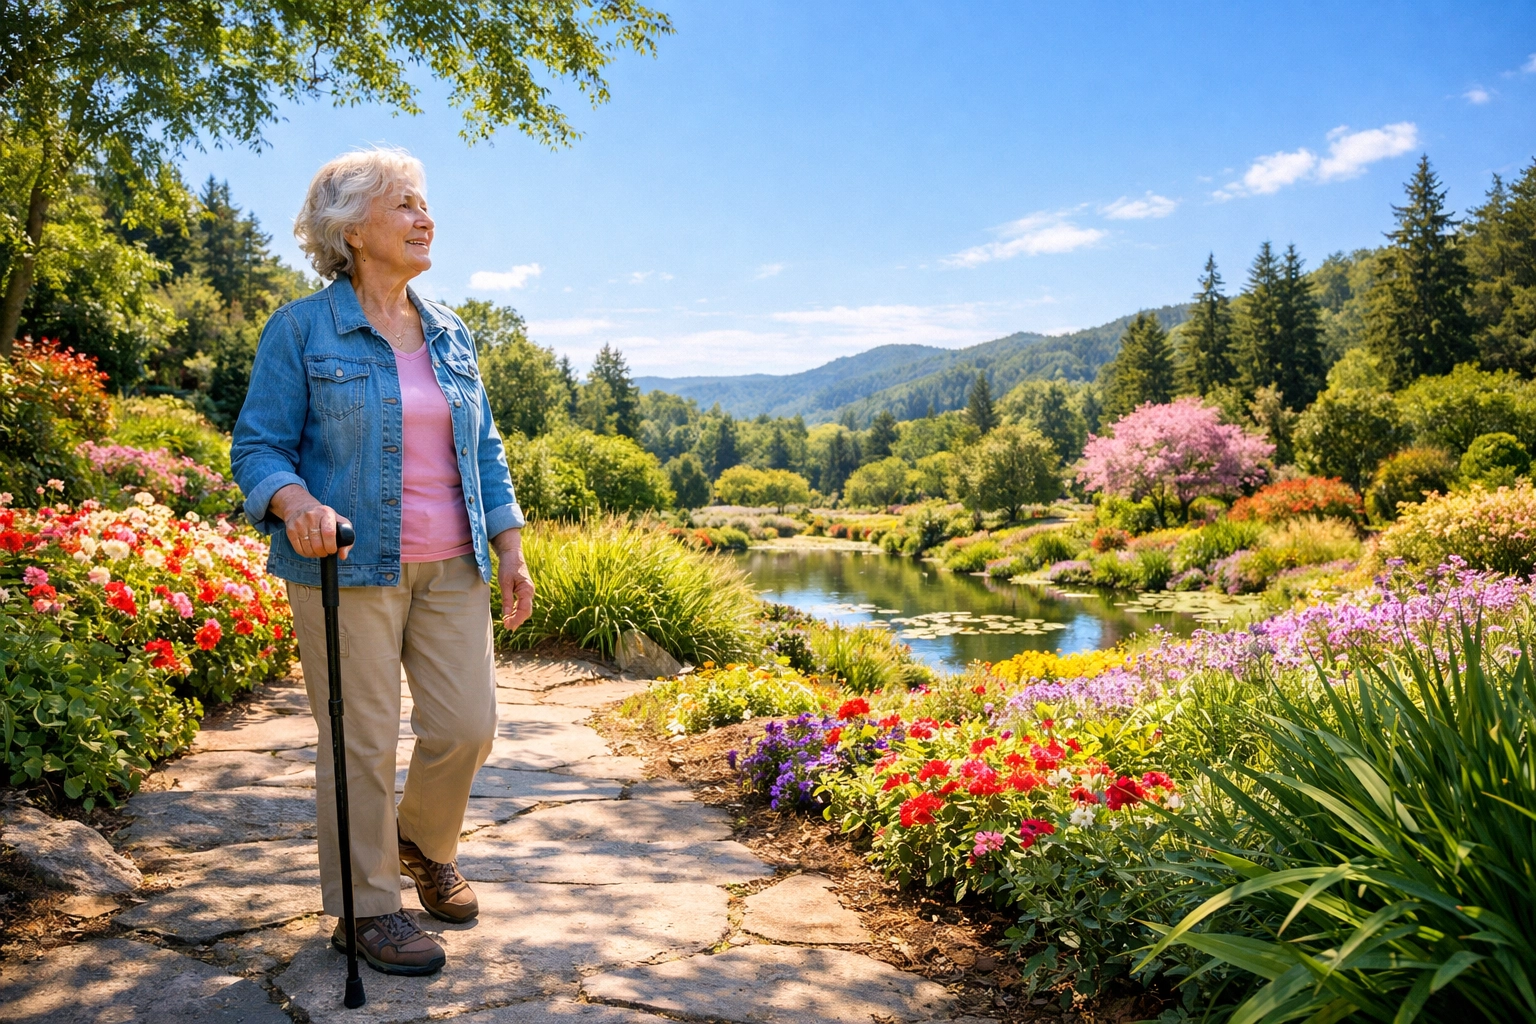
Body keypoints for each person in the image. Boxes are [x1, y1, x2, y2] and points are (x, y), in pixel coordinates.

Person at [230, 147, 535, 976]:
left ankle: (418, 840)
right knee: (360, 743)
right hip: (349, 570)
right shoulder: (301, 329)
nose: (425, 218)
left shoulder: (451, 332)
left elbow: (487, 449)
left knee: (468, 728)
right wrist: (295, 505)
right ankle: (369, 910)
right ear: (353, 230)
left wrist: (509, 546)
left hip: (455, 564)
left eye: (424, 203)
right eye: (404, 205)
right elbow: (259, 446)